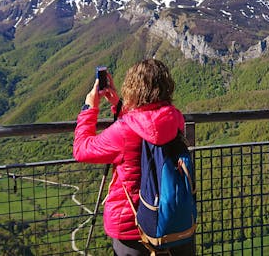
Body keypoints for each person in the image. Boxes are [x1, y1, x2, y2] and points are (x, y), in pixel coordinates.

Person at [73, 59, 194, 256]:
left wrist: (89, 109)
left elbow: (81, 149)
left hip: (131, 225)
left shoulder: (123, 130)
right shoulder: (175, 118)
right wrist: (119, 105)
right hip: (170, 219)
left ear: (133, 87)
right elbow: (149, 124)